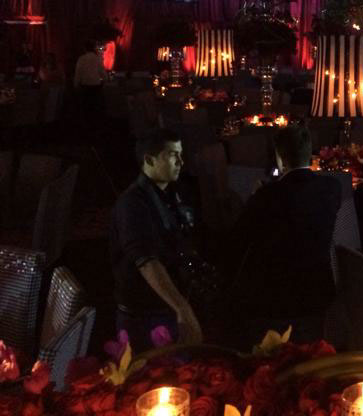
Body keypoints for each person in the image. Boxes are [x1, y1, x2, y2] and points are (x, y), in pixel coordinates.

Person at [226, 123, 341, 343]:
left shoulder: (266, 196)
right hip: (317, 290)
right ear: (310, 154)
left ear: (280, 157)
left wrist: (256, 197)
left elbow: (239, 239)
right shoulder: (332, 188)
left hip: (275, 296)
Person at [109, 129, 203, 351]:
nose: (180, 162)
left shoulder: (172, 194)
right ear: (149, 160)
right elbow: (145, 260)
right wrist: (182, 308)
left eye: (180, 154)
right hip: (145, 315)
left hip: (168, 306)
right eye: (172, 155)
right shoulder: (132, 204)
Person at [74, 41, 106, 117]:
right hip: (96, 85)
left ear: (85, 48)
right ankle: (94, 119)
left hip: (85, 85)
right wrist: (105, 80)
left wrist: (76, 84)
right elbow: (102, 71)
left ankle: (86, 120)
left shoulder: (82, 59)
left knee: (86, 106)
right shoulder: (97, 58)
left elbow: (78, 73)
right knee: (95, 105)